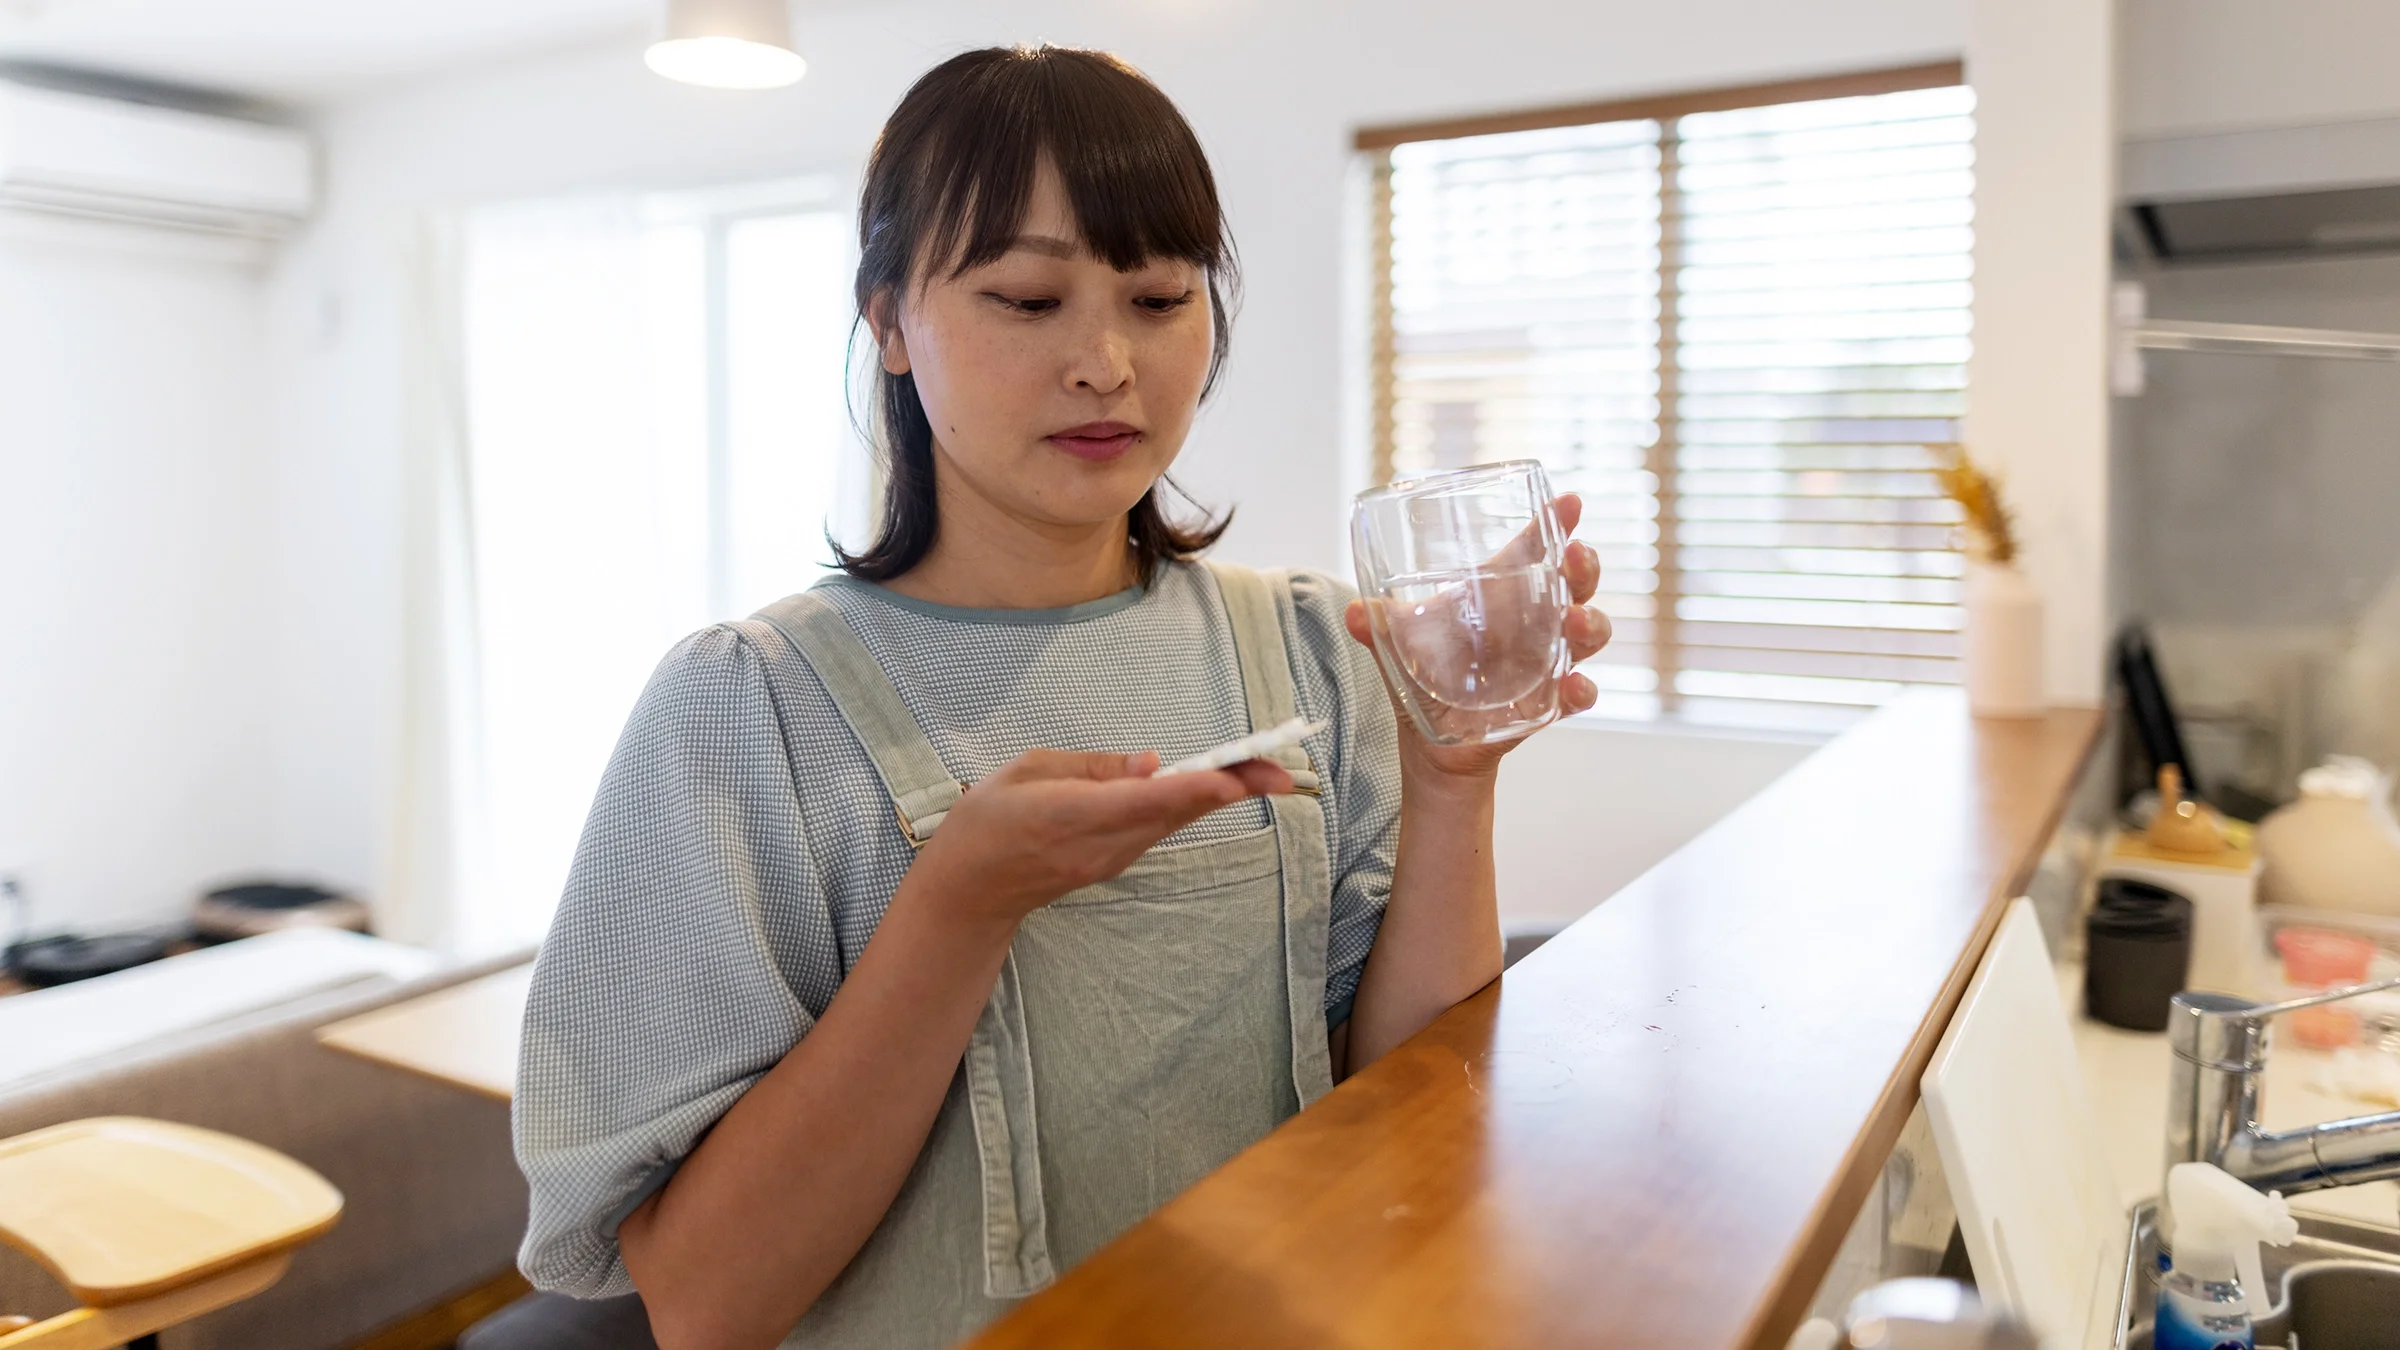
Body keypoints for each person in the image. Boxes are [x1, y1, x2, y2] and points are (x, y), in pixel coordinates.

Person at [514, 44, 1612, 1350]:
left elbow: (1403, 1116)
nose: (1105, 361)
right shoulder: (745, 709)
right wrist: (958, 901)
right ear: (888, 324)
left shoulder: (1316, 646)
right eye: (1028, 298)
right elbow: (705, 1301)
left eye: (1158, 297)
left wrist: (1453, 775)